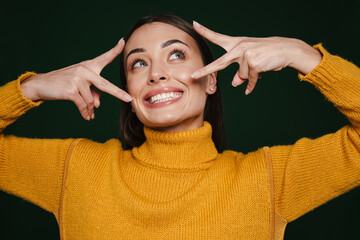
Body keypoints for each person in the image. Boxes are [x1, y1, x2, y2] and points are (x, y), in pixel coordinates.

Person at [1, 14, 359, 239]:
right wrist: (30, 88)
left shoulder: (267, 180)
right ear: (127, 90)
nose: (156, 73)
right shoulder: (76, 169)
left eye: (176, 55)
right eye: (138, 64)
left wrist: (300, 54)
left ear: (213, 80)